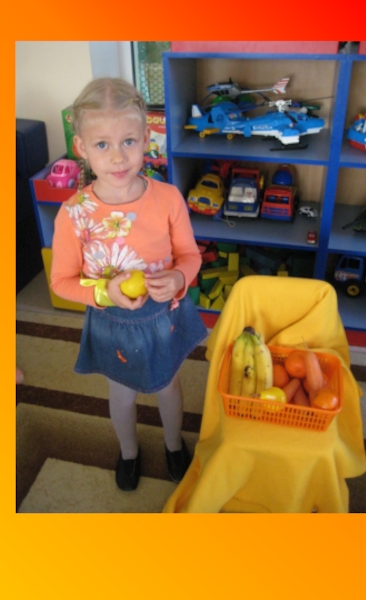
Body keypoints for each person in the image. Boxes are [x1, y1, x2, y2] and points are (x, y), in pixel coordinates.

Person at [50, 78, 208, 491]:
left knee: (168, 387)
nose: (118, 157)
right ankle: (129, 452)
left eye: (129, 141)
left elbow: (190, 255)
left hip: (163, 316)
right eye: (102, 144)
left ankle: (173, 444)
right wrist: (105, 292)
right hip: (112, 322)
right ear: (82, 147)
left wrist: (178, 277)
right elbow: (61, 281)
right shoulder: (74, 214)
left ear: (146, 140)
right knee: (121, 395)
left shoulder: (169, 198)